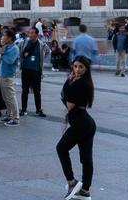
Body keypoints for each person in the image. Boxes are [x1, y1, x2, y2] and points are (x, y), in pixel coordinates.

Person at [56, 56, 96, 200]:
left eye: (81, 67)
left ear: (86, 69)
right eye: (75, 66)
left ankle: (72, 182)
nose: (77, 70)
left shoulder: (80, 84)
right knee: (86, 158)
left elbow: (69, 104)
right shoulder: (82, 82)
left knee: (61, 148)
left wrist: (69, 81)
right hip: (86, 123)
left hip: (81, 124)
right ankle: (85, 191)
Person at [19, 26, 46, 117]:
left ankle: (38, 109)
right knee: (25, 90)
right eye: (29, 33)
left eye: (32, 33)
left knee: (37, 91)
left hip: (36, 71)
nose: (30, 35)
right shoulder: (24, 43)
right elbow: (18, 50)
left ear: (36, 34)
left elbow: (48, 51)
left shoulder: (41, 44)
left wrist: (40, 59)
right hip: (26, 70)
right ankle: (23, 109)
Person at [0, 29, 20, 125]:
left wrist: (2, 55)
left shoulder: (14, 48)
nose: (2, 37)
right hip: (3, 74)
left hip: (8, 76)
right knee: (6, 97)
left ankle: (15, 119)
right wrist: (1, 49)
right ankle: (9, 115)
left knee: (10, 97)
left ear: (9, 38)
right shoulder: (6, 47)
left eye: (4, 36)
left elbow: (10, 60)